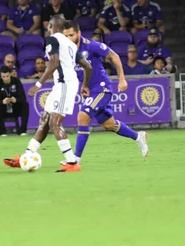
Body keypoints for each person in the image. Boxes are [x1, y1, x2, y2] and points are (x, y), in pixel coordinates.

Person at [3, 15, 92, 173]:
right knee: (45, 119)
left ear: (52, 26)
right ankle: (27, 156)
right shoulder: (70, 44)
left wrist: (37, 85)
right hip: (63, 84)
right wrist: (84, 85)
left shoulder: (53, 39)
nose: (47, 28)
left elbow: (53, 63)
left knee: (55, 123)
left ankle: (72, 162)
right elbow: (87, 66)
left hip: (65, 85)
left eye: (48, 25)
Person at [60, 20, 148, 165]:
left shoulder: (91, 45)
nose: (68, 38)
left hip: (102, 89)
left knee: (82, 117)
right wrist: (84, 85)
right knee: (109, 124)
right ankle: (138, 137)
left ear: (78, 33)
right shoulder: (66, 50)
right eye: (65, 36)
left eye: (71, 35)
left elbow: (114, 56)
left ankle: (75, 159)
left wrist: (122, 80)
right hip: (90, 89)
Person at [0, 66, 29, 136]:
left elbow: (23, 98)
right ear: (1, 76)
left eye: (7, 76)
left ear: (10, 74)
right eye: (3, 77)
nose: (6, 78)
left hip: (15, 107)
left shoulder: (17, 81)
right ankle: (3, 131)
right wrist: (2, 102)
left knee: (25, 105)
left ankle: (23, 130)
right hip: (4, 108)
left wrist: (16, 100)